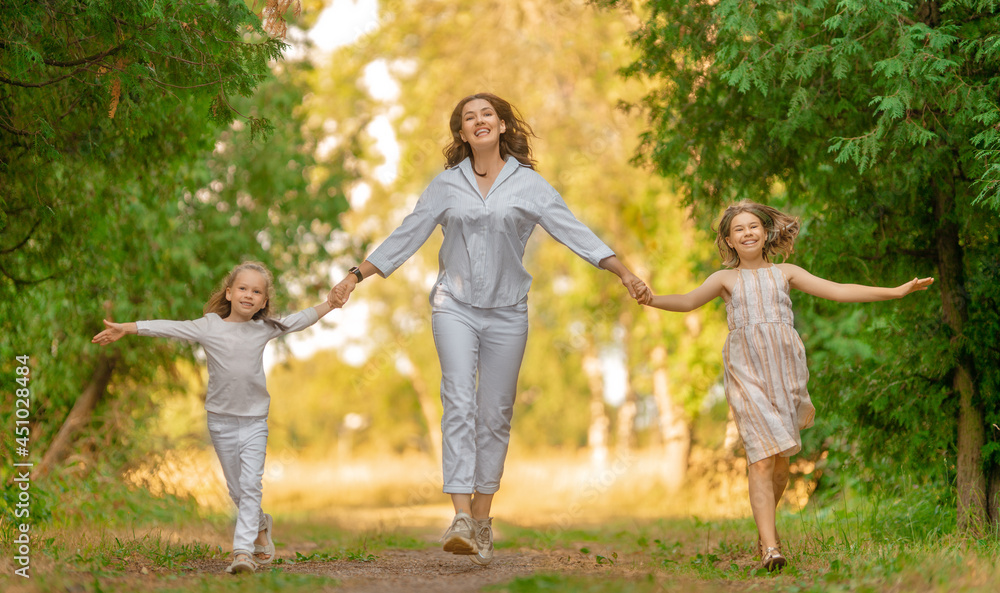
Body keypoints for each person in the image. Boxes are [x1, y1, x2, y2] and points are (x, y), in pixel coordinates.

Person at [328, 92, 646, 566]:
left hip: (507, 311)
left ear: (501, 126)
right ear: (461, 133)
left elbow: (573, 230)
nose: (478, 121)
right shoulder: (446, 185)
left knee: (494, 414)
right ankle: (458, 517)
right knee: (458, 400)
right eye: (468, 118)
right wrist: (355, 276)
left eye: (486, 115)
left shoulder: (530, 185)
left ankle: (481, 520)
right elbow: (407, 234)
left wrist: (623, 272)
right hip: (453, 306)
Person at [635, 200, 933, 572]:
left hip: (786, 372)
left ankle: (765, 533)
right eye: (738, 229)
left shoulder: (786, 273)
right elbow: (687, 301)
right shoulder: (725, 279)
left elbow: (838, 290)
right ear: (728, 240)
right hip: (747, 372)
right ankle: (771, 549)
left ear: (765, 232)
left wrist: (895, 291)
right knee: (760, 459)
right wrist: (652, 299)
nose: (747, 233)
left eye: (753, 227)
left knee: (779, 466)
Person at [92, 261, 340, 574]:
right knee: (237, 490)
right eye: (243, 288)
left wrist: (329, 303)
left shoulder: (263, 329)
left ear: (264, 302)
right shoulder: (210, 325)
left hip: (254, 423)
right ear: (229, 292)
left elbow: (298, 320)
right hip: (221, 423)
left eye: (256, 291)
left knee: (251, 486)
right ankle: (262, 526)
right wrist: (127, 328)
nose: (249, 295)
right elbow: (169, 326)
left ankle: (242, 553)